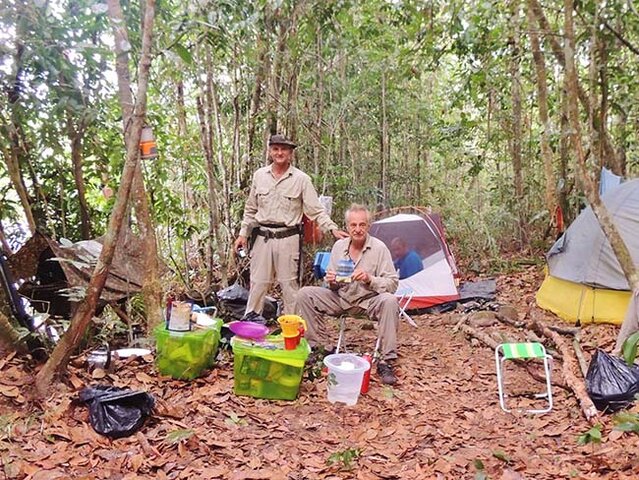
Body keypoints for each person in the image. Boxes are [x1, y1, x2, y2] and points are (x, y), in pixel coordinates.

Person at [234, 133, 347, 316]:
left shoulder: (301, 179)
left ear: (290, 153)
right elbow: (251, 209)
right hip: (262, 238)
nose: (279, 153)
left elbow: (316, 210)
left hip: (288, 238)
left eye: (284, 149)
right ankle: (250, 325)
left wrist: (332, 229)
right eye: (276, 149)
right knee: (258, 283)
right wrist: (243, 234)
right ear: (270, 151)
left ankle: (291, 328)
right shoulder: (260, 176)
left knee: (289, 286)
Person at [296, 204, 400, 385]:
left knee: (390, 301)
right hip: (341, 298)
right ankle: (318, 348)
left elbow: (392, 284)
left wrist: (370, 279)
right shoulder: (338, 247)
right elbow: (332, 284)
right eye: (353, 225)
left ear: (368, 226)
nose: (358, 229)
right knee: (305, 294)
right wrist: (332, 280)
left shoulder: (379, 248)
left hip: (369, 301)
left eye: (362, 225)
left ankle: (386, 360)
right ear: (347, 226)